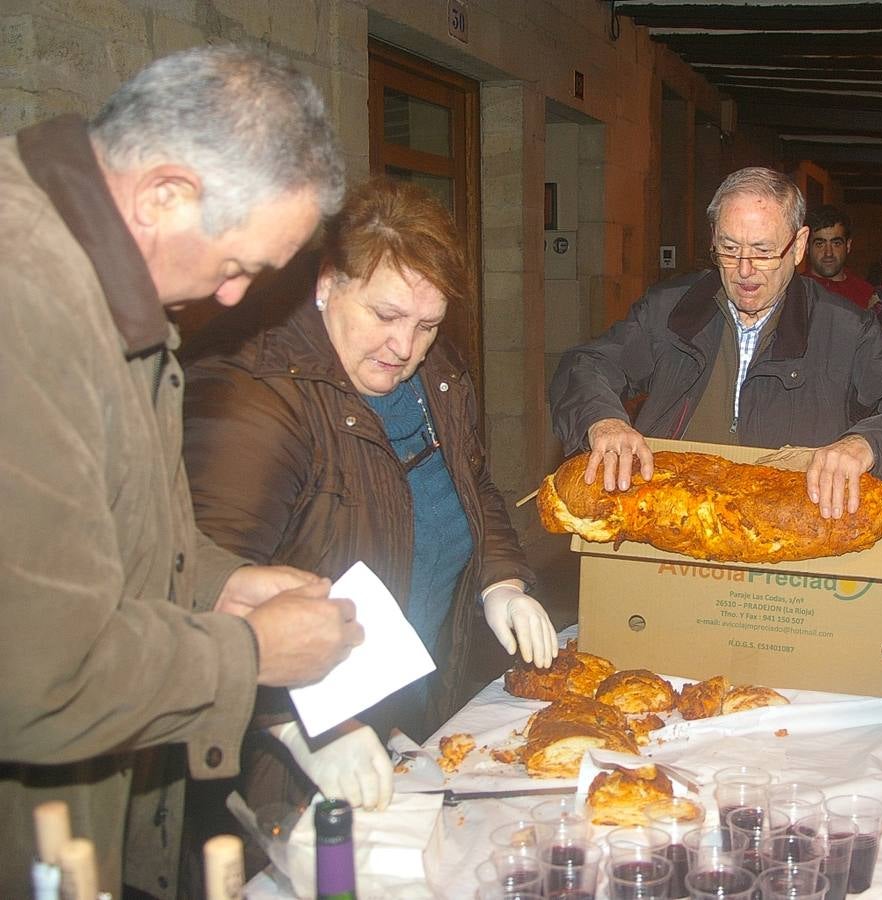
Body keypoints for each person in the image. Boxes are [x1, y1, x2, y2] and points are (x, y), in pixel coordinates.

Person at [0, 45, 359, 897]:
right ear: (163, 194)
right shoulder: (25, 303)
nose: (231, 299)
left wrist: (216, 585)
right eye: (238, 266)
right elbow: (38, 675)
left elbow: (93, 529)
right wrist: (247, 655)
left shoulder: (96, 275)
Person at [182, 179, 557, 826]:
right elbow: (197, 594)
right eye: (385, 316)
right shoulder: (253, 396)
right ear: (328, 283)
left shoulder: (438, 375)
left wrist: (502, 579)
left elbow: (473, 484)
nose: (404, 348)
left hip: (416, 712)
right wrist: (299, 724)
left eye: (427, 325)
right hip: (291, 762)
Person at [549, 166, 882, 518]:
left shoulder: (846, 329)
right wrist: (603, 420)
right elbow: (585, 364)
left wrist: (866, 443)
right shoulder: (671, 310)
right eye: (729, 249)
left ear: (797, 246)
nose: (744, 270)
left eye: (763, 252)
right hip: (672, 526)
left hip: (787, 536)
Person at [803, 204, 880, 310]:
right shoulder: (793, 291)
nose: (828, 253)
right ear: (806, 247)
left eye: (836, 243)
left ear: (848, 246)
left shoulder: (866, 294)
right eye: (820, 244)